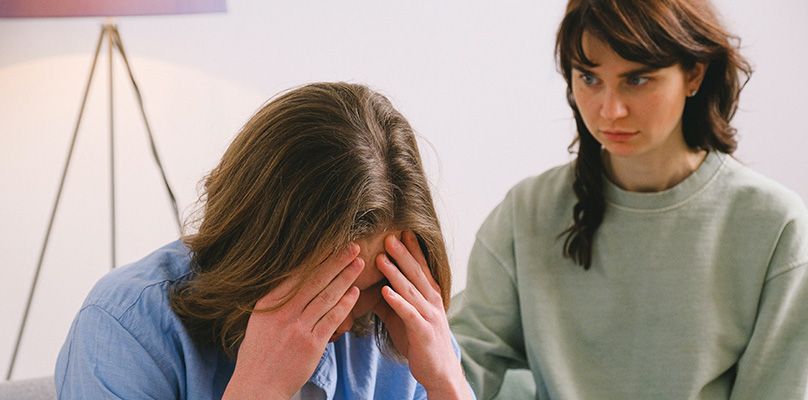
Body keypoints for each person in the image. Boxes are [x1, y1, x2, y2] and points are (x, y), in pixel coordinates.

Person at [449, 0, 808, 399]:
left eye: (637, 80)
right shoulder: (527, 212)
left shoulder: (775, 227)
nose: (610, 109)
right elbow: (458, 369)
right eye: (589, 78)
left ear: (694, 74)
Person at [55, 82, 473, 400]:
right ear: (256, 250)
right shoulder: (124, 328)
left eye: (363, 290)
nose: (341, 319)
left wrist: (447, 383)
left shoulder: (401, 322)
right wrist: (259, 388)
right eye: (327, 286)